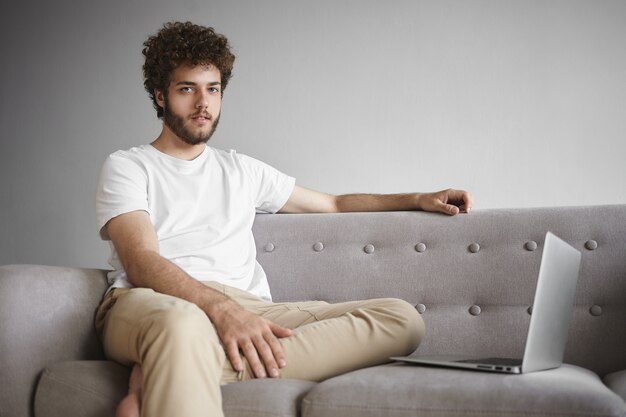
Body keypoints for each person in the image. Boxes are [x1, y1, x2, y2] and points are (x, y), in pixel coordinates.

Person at [95, 21, 473, 417]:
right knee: (182, 327)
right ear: (160, 95)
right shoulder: (129, 166)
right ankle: (181, 354)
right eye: (187, 88)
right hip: (153, 302)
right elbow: (140, 261)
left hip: (249, 307)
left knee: (402, 319)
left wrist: (417, 198)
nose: (203, 103)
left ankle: (172, 366)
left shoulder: (241, 169)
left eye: (213, 89)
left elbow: (334, 204)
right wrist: (221, 313)